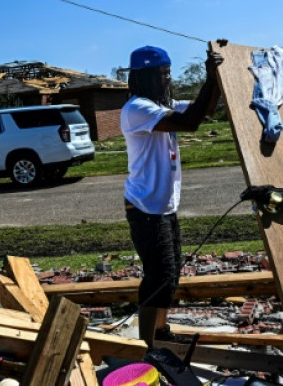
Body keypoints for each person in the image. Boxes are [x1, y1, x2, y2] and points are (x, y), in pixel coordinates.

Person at [120, 45, 224, 347]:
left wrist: (215, 80)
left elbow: (203, 110)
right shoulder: (137, 108)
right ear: (144, 78)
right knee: (158, 275)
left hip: (163, 205)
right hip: (144, 206)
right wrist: (208, 78)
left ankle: (161, 333)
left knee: (169, 273)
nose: (166, 80)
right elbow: (189, 123)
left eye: (168, 74)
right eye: (160, 75)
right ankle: (148, 346)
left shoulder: (163, 106)